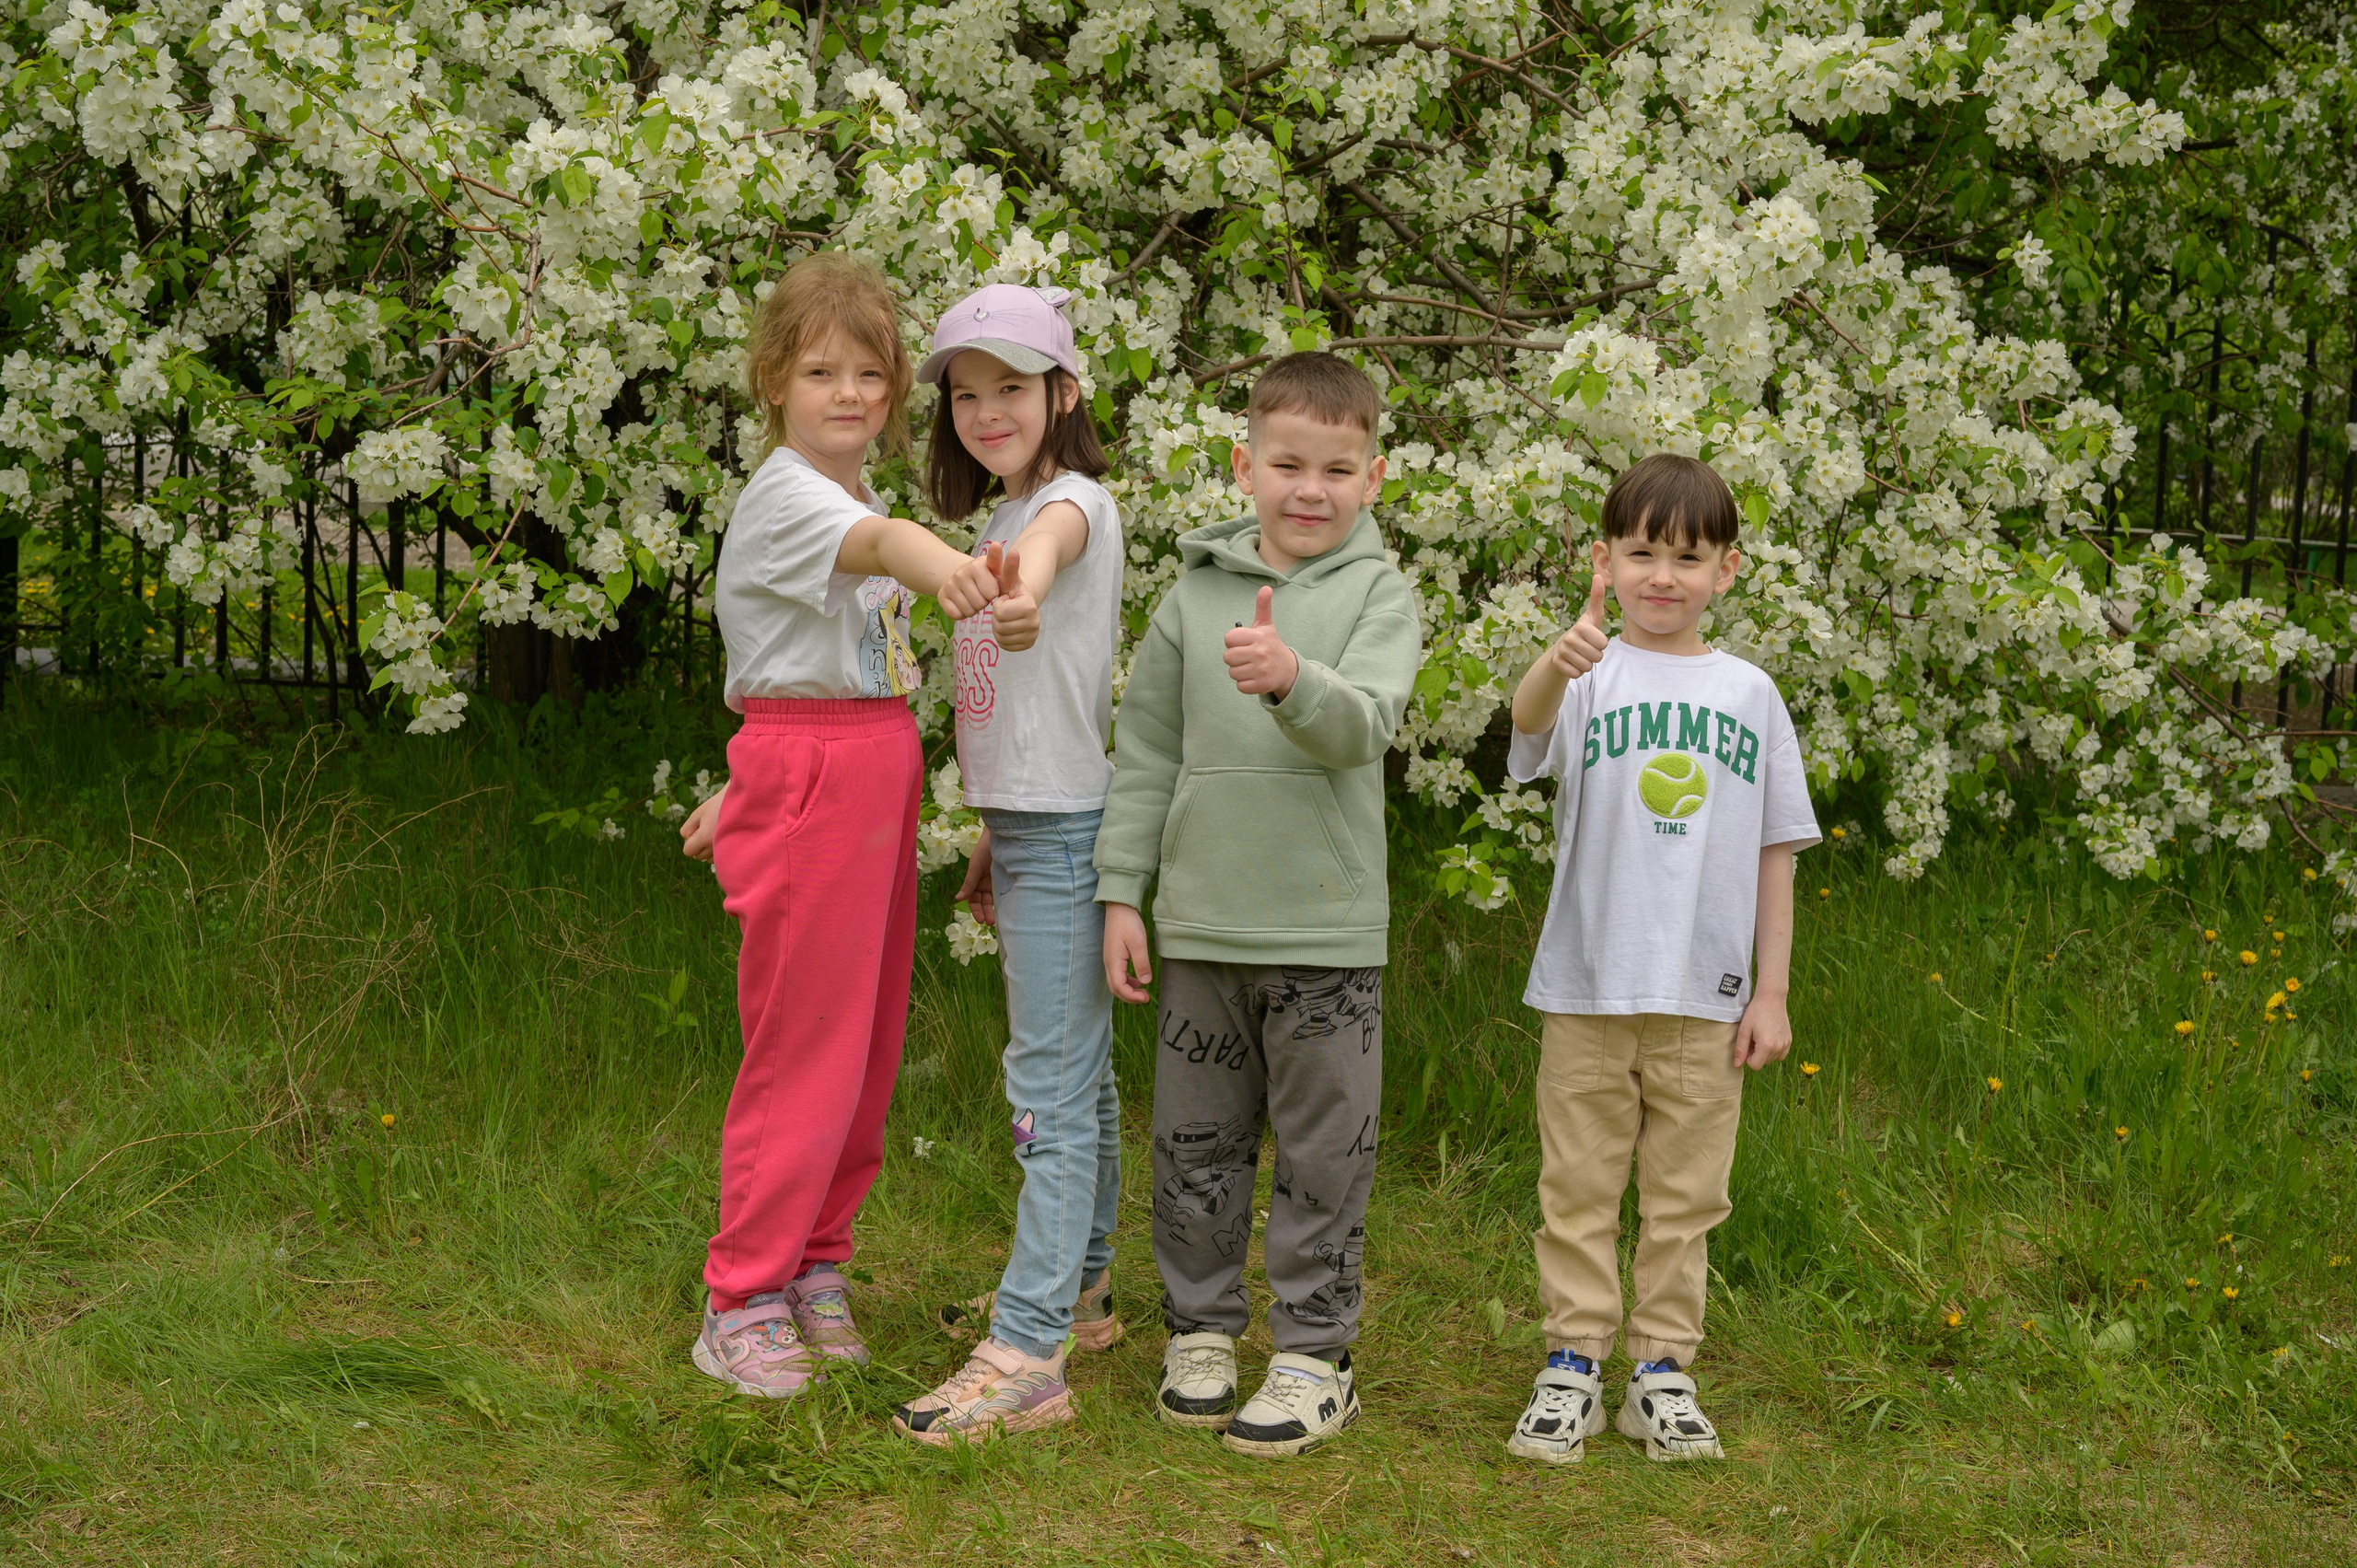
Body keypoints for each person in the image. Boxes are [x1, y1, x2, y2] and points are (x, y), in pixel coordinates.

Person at [675, 252, 1022, 1401]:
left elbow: (815, 650)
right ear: (772, 380)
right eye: (819, 370)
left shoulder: (854, 496)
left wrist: (758, 773)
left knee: (866, 1046)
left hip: (864, 762)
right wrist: (950, 568)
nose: (847, 393)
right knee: (806, 1043)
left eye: (870, 374)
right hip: (820, 766)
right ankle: (741, 1296)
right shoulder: (792, 494)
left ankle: (817, 1266)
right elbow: (880, 562)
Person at [1094, 352, 1422, 1458]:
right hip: (1200, 928)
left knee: (1325, 1154)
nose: (1309, 488)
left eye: (1337, 468)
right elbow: (1143, 750)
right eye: (1287, 462)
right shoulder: (1193, 596)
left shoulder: (1382, 593)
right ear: (1245, 465)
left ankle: (1314, 1356)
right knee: (1194, 1143)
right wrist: (1120, 892)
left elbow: (1364, 724)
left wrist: (1290, 676)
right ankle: (1200, 1330)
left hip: (1326, 934)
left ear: (1373, 477)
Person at [1498, 453, 1818, 1465]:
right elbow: (1523, 725)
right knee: (1579, 1183)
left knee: (1686, 1194)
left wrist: (1769, 991)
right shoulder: (1586, 672)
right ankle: (1574, 1362)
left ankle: (1662, 1372)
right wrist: (1559, 657)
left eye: (1688, 557)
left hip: (1704, 997)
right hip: (1587, 987)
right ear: (1605, 560)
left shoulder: (1749, 692)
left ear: (1727, 569)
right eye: (1640, 553)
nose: (1662, 576)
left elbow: (1776, 848)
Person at [887, 285, 1128, 1444]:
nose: (986, 410)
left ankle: (1026, 1347)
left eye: (1012, 389)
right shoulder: (1007, 503)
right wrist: (992, 820)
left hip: (1067, 833)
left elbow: (1047, 554)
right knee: (1081, 1080)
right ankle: (1079, 1294)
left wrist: (1022, 587)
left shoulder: (1065, 503)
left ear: (1061, 394)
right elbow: (1031, 703)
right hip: (1033, 822)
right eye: (966, 393)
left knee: (1047, 1093)